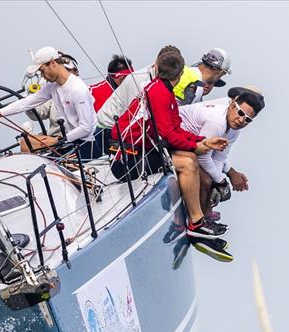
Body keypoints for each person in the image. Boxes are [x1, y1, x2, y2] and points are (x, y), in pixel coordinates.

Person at [113, 49, 230, 242]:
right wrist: (195, 146)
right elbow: (166, 135)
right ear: (181, 74)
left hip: (139, 152)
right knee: (188, 163)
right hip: (126, 161)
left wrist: (202, 141)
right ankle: (196, 223)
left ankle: (197, 219)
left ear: (157, 68)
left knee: (190, 158)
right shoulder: (159, 93)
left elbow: (176, 128)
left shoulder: (163, 90)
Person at [0, 47, 97, 157]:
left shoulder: (78, 89)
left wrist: (56, 140)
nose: (42, 76)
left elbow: (86, 128)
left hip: (86, 146)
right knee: (25, 144)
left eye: (42, 71)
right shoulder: (52, 87)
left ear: (53, 63)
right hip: (69, 142)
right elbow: (26, 103)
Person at [179, 86, 265, 219]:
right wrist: (220, 181)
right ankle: (198, 221)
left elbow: (218, 158)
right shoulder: (217, 122)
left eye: (248, 119)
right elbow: (203, 157)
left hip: (191, 145)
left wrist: (218, 182)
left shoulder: (234, 130)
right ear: (232, 105)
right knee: (207, 180)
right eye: (241, 113)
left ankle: (205, 218)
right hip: (173, 140)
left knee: (212, 180)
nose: (241, 120)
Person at [96, 45, 180, 129]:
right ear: (156, 63)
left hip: (122, 126)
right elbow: (133, 116)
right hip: (107, 126)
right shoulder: (141, 81)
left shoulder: (161, 77)